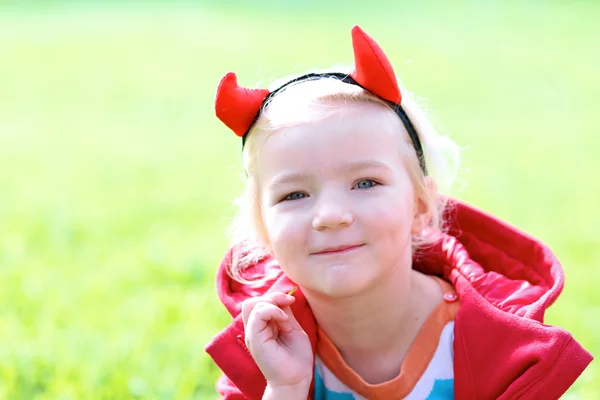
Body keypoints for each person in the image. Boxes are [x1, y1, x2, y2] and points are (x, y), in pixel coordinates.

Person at [205, 25, 592, 400]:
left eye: (365, 183)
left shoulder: (492, 343)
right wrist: (285, 388)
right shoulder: (263, 344)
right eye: (294, 194)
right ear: (262, 231)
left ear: (421, 207)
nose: (330, 216)